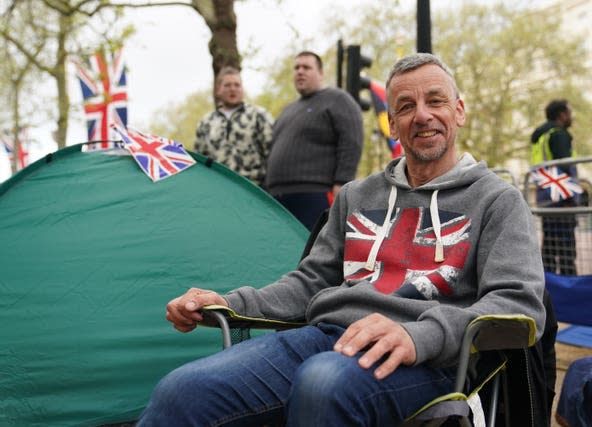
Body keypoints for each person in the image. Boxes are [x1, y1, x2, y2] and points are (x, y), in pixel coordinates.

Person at [138, 53, 547, 427]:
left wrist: (418, 335)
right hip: (323, 338)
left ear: (459, 111)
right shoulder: (357, 195)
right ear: (393, 124)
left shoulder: (497, 199)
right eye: (405, 107)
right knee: (181, 391)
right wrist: (231, 303)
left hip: (428, 359)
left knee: (323, 383)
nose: (422, 115)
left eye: (435, 101)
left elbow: (518, 305)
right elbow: (310, 282)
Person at [265, 51, 363, 230]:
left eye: (306, 67)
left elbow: (351, 141)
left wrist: (342, 183)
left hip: (314, 195)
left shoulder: (337, 99)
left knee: (313, 252)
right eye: (296, 68)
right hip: (277, 198)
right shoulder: (288, 110)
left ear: (320, 73)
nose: (300, 71)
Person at [194, 66, 273, 187]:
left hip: (253, 189)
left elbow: (271, 154)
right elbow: (200, 161)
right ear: (218, 90)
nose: (233, 89)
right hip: (218, 189)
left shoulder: (258, 115)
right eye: (227, 85)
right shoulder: (206, 122)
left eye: (237, 85)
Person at [531, 99, 578, 275]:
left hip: (545, 195)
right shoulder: (558, 134)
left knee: (549, 245)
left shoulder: (540, 135)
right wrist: (570, 199)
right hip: (561, 196)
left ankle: (549, 288)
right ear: (561, 115)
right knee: (566, 249)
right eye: (569, 112)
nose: (571, 117)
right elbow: (565, 166)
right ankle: (570, 288)